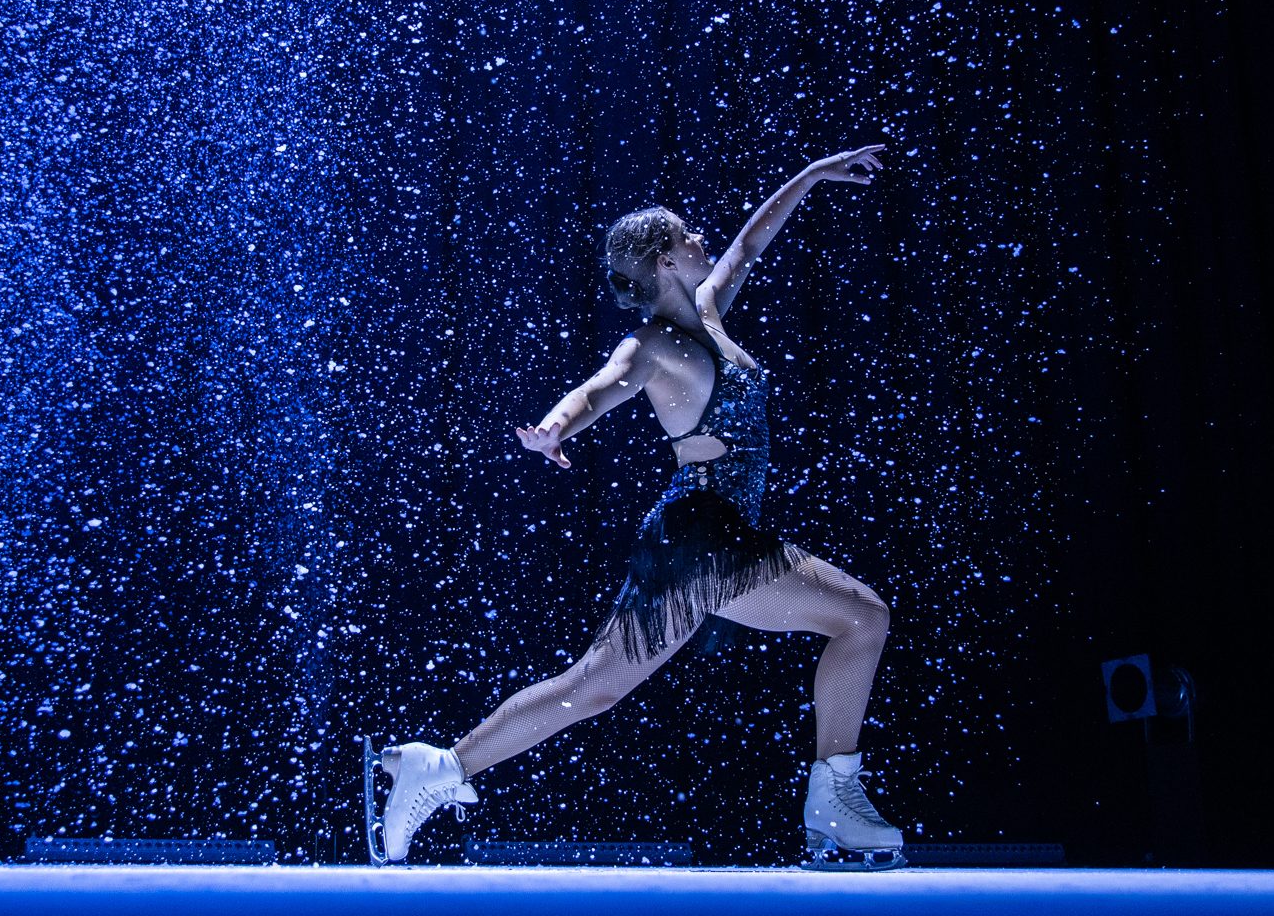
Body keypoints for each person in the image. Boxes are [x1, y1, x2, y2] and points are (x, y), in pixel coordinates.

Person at [377, 144, 904, 866]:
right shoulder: (655, 344)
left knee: (590, 688)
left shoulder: (709, 309)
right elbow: (603, 384)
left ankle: (439, 767)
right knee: (863, 617)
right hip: (706, 530)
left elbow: (752, 239)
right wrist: (558, 426)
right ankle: (834, 799)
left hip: (698, 533)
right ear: (663, 259)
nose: (701, 240)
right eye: (687, 235)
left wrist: (811, 177)